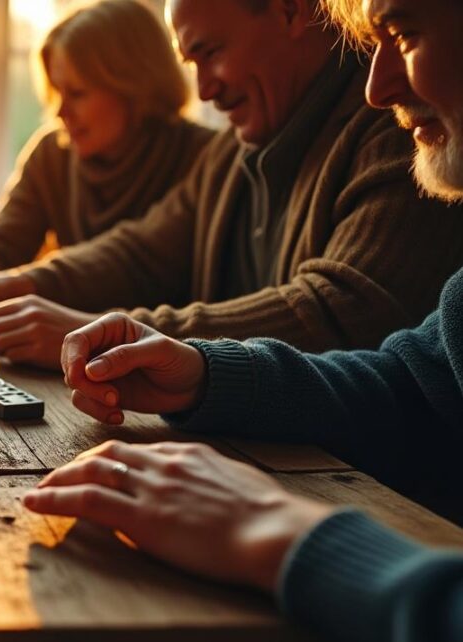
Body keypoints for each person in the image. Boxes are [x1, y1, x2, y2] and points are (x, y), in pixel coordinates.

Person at [27, 1, 463, 640]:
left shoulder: (391, 140)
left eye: (404, 34)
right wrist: (208, 373)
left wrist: (286, 536)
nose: (380, 85)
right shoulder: (238, 150)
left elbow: (346, 309)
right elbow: (416, 384)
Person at [0, 0, 463, 368]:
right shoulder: (233, 148)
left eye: (212, 52)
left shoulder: (407, 129)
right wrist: (9, 283)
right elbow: (141, 251)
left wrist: (117, 333)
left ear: (292, 11)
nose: (203, 92)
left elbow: (341, 312)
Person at [0, 0, 213, 293]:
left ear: (135, 86)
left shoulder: (203, 156)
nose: (60, 112)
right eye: (57, 92)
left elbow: (135, 262)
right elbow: (3, 242)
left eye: (77, 93)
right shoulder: (52, 153)